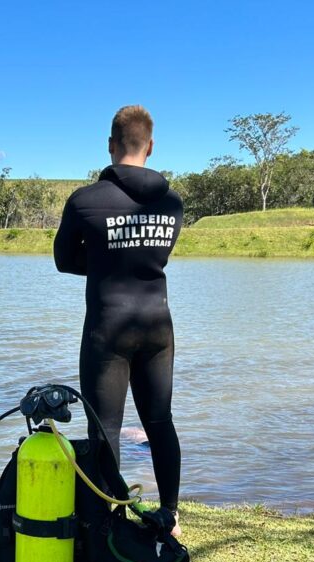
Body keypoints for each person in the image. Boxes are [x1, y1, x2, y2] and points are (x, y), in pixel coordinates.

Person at [54, 105, 184, 536]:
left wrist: (104, 261)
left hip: (107, 329)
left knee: (105, 426)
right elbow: (153, 256)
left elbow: (63, 260)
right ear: (151, 146)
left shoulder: (85, 200)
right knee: (160, 421)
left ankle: (107, 520)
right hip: (158, 326)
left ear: (110, 146)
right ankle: (170, 513)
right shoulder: (172, 203)